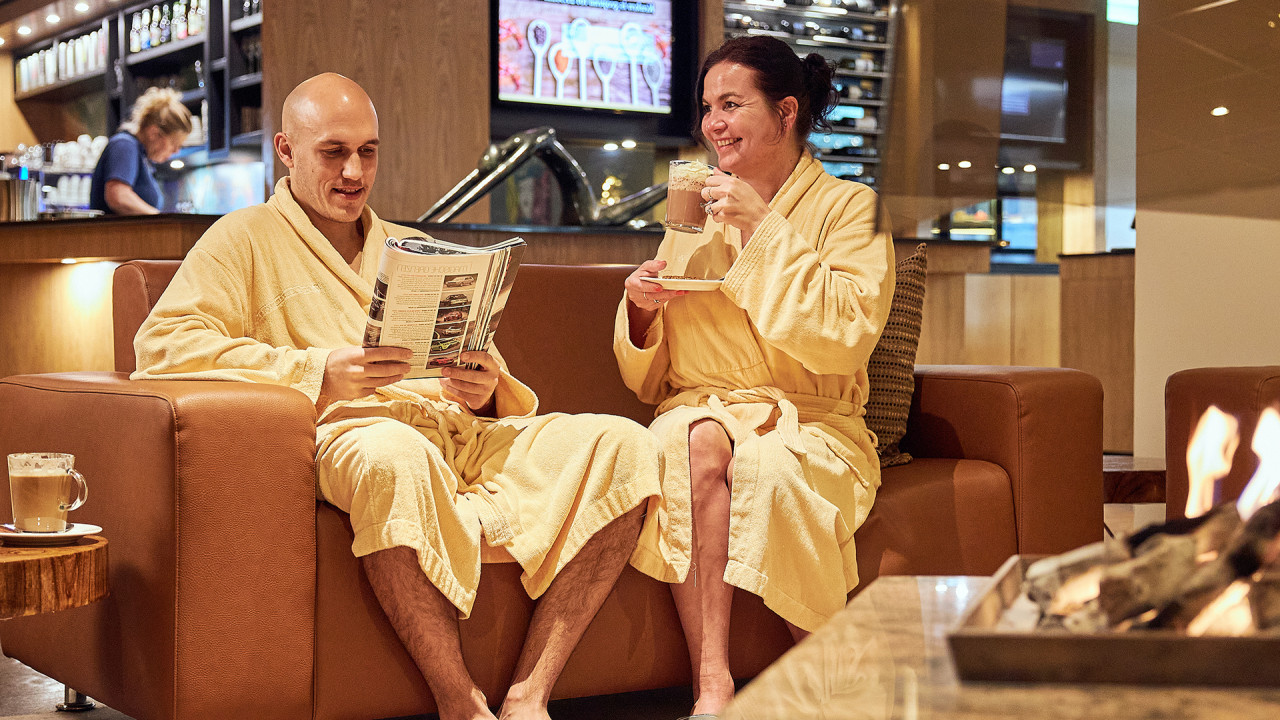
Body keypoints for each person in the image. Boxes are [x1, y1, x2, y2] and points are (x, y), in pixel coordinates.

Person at [133, 73, 661, 720]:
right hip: (354, 432)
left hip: (456, 432)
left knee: (622, 445)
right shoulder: (242, 238)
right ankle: (459, 702)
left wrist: (484, 391)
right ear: (287, 150)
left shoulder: (410, 250)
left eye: (369, 151)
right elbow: (162, 346)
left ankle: (530, 694)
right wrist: (317, 372)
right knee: (392, 456)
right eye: (333, 152)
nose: (355, 171)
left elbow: (484, 371)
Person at [613, 35, 894, 717]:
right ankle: (713, 684)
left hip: (813, 423)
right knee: (692, 438)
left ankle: (832, 673)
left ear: (786, 111)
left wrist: (763, 227)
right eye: (709, 107)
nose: (714, 123)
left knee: (765, 463)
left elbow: (845, 337)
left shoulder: (852, 209)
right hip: (706, 410)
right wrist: (642, 310)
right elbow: (655, 385)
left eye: (732, 104)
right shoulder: (694, 216)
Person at [89, 86, 191, 215]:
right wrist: (160, 220)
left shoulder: (140, 155)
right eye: (174, 144)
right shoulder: (125, 145)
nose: (176, 151)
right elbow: (118, 197)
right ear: (154, 133)